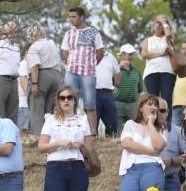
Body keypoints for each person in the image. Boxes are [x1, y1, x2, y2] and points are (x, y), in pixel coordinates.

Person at [118, 93, 166, 191]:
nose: (153, 107)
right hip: (132, 170)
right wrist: (151, 151)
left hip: (153, 169)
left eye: (155, 105)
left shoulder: (160, 128)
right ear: (141, 107)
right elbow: (127, 144)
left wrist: (151, 124)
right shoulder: (130, 124)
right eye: (150, 104)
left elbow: (159, 146)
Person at [61, 7, 104, 135]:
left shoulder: (93, 32)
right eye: (70, 17)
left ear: (81, 17)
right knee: (69, 101)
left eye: (74, 17)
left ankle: (93, 133)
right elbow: (64, 51)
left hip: (88, 73)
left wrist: (90, 65)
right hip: (71, 72)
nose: (71, 19)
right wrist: (70, 63)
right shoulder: (68, 33)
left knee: (89, 104)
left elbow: (100, 53)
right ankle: (70, 131)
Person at [26, 24, 63, 136]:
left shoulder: (34, 47)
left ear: (32, 36)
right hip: (56, 76)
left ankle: (38, 136)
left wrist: (34, 84)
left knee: (36, 108)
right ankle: (51, 135)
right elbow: (60, 65)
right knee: (50, 110)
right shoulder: (52, 45)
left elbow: (34, 66)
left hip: (42, 76)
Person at [141, 15, 176, 113]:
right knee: (153, 100)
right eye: (157, 23)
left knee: (167, 98)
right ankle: (153, 122)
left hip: (167, 71)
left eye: (162, 24)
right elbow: (144, 54)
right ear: (153, 26)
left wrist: (164, 22)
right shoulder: (147, 40)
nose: (159, 25)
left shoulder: (168, 38)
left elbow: (169, 35)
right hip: (151, 71)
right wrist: (161, 53)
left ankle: (167, 125)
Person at [158, 98, 185, 191]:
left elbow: (185, 155)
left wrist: (172, 161)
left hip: (171, 179)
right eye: (156, 110)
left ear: (168, 112)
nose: (159, 113)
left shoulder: (177, 131)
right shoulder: (145, 131)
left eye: (162, 110)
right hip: (150, 179)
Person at [115, 44, 144, 134]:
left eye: (132, 54)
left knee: (134, 130)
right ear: (122, 55)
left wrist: (139, 106)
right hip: (118, 104)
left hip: (133, 105)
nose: (131, 56)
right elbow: (110, 82)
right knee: (118, 131)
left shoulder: (137, 71)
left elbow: (140, 90)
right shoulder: (115, 68)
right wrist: (118, 68)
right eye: (129, 54)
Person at [95, 48, 121, 136]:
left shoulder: (110, 57)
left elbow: (117, 73)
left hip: (108, 93)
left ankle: (110, 138)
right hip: (93, 92)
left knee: (113, 119)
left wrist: (116, 86)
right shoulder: (88, 55)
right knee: (94, 119)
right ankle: (94, 140)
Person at [17, 52, 31, 137]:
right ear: (26, 52)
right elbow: (23, 81)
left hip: (24, 104)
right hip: (23, 104)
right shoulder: (24, 65)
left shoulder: (27, 66)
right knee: (22, 134)